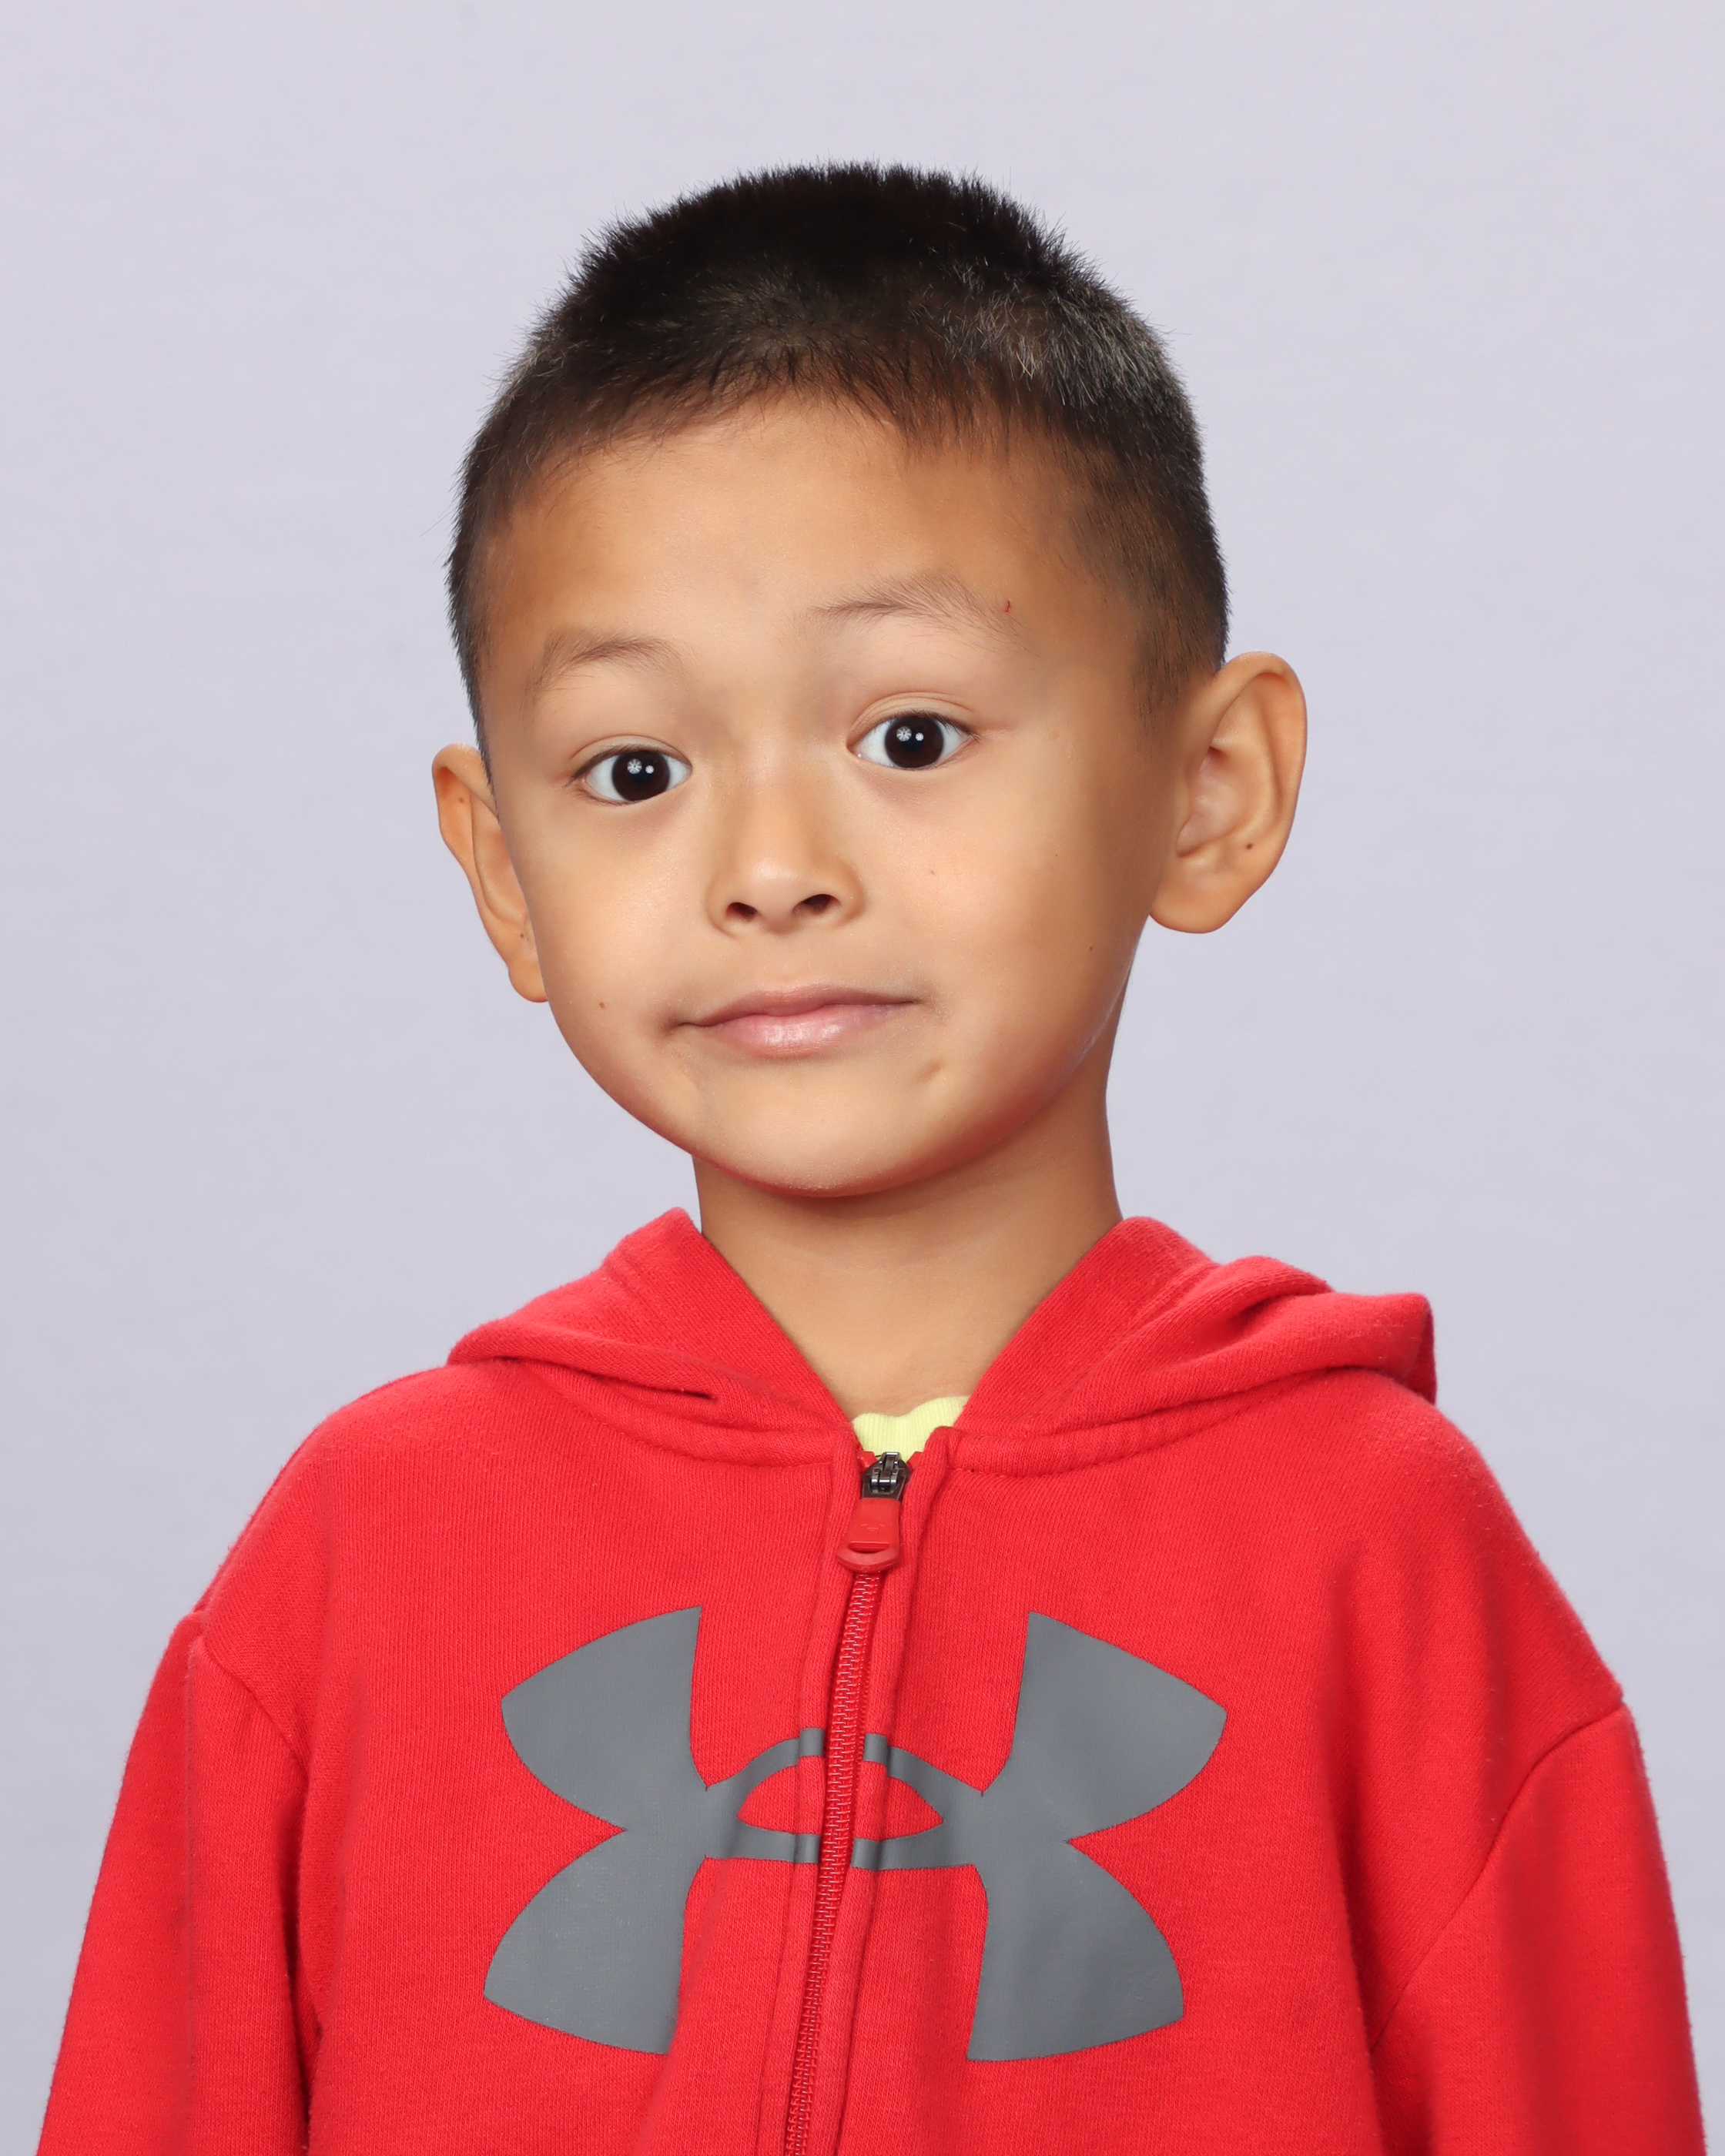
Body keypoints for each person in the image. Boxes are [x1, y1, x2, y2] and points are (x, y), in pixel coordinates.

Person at [39, 165, 1703, 2155]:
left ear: (1209, 791)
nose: (769, 871)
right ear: (499, 870)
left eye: (910, 737)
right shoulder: (360, 1555)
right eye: (635, 770)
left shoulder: (1386, 1559)